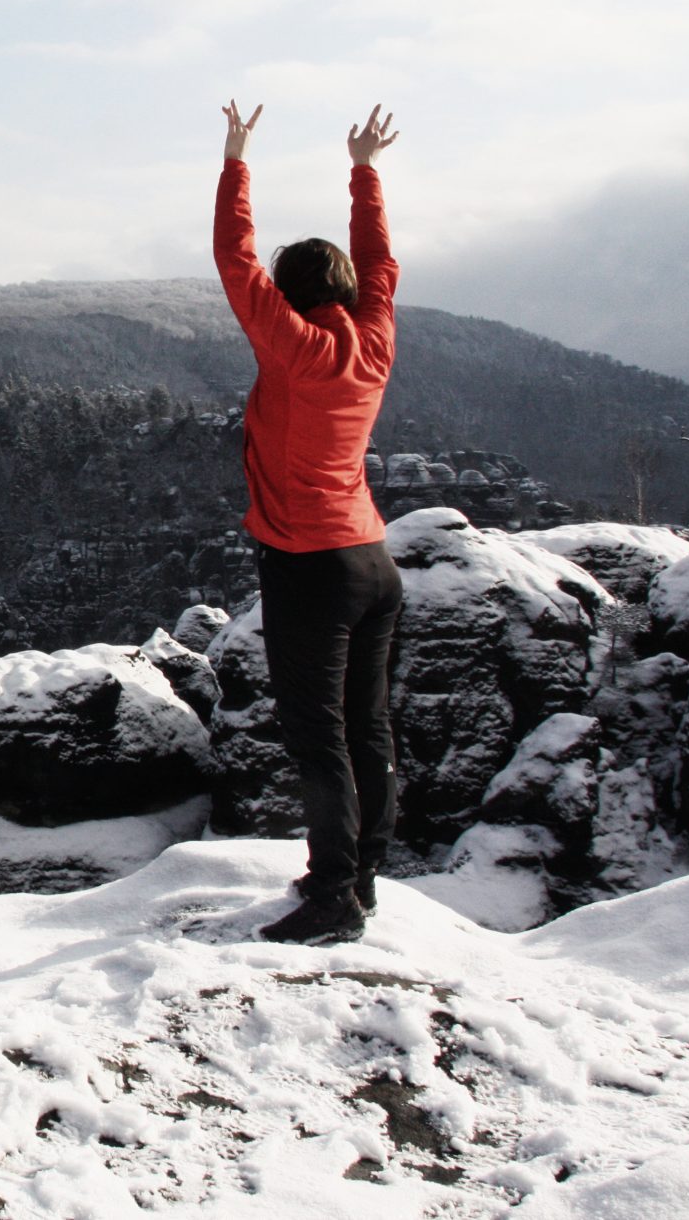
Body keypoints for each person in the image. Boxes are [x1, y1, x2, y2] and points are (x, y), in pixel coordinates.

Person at [214, 100, 404, 946]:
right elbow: (381, 261)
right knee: (366, 725)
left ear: (288, 299)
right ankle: (362, 874)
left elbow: (234, 257)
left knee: (317, 733)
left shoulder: (291, 345)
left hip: (309, 564)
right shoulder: (373, 338)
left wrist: (236, 157)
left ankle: (333, 896)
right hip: (372, 561)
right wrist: (363, 170)